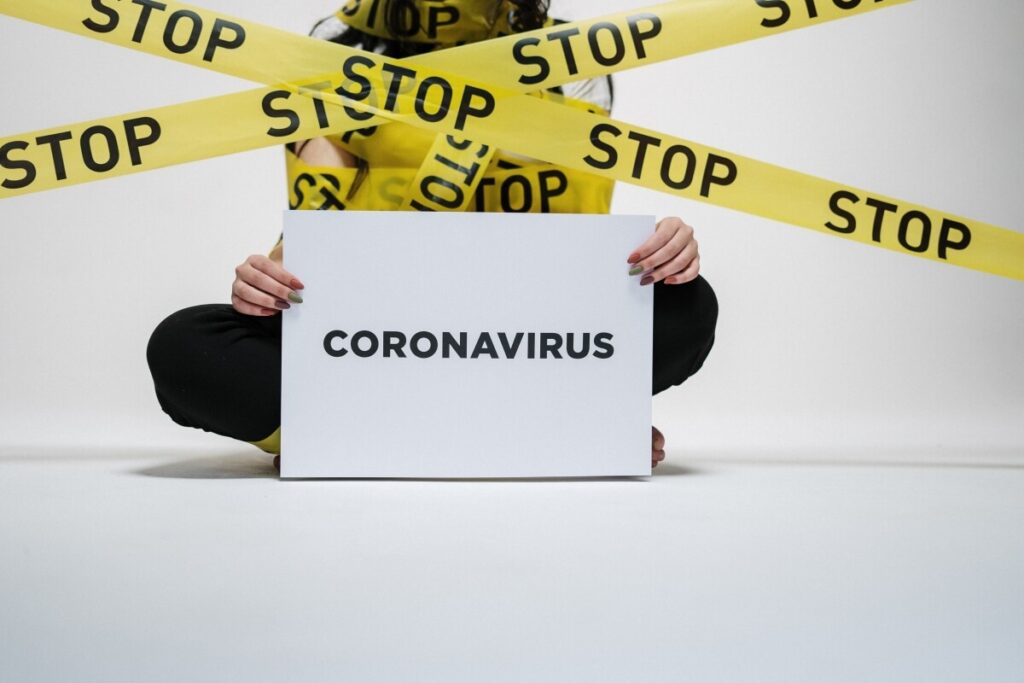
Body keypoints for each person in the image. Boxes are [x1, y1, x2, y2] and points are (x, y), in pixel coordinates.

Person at [146, 0, 718, 472]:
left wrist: (663, 254)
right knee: (184, 346)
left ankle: (367, 432)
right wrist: (268, 279)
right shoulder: (342, 47)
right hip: (375, 330)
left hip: (522, 331)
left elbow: (571, 235)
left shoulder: (571, 60)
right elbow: (320, 213)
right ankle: (536, 429)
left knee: (688, 304)